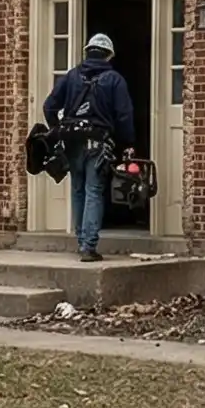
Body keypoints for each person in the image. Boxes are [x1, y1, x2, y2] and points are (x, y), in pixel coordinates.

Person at [41, 32, 137, 262]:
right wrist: (128, 143)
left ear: (88, 52)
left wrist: (57, 129)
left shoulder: (71, 76)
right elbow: (124, 115)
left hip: (72, 141)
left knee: (78, 189)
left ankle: (81, 240)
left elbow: (49, 106)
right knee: (94, 190)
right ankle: (88, 247)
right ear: (108, 55)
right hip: (98, 141)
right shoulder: (114, 79)